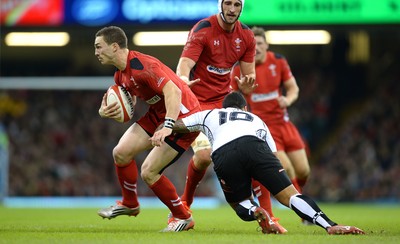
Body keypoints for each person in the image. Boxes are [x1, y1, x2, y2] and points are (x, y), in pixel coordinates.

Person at [150, 92, 365, 235]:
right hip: (257, 147)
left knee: (239, 202)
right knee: (290, 196)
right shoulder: (256, 119)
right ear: (244, 107)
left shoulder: (211, 114)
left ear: (224, 107)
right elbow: (272, 154)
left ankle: (254, 211)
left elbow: (180, 125)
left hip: (225, 152)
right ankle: (330, 225)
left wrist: (165, 127)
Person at [175, 0, 287, 233]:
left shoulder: (246, 36)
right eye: (228, 3)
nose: (232, 8)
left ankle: (270, 215)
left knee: (255, 152)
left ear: (241, 7)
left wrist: (246, 87)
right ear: (221, 5)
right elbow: (184, 65)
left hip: (224, 102)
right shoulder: (202, 29)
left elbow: (247, 82)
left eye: (237, 4)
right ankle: (185, 202)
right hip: (196, 101)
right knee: (205, 156)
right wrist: (183, 80)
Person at [94, 26, 202, 232]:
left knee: (149, 172)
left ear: (114, 47)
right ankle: (130, 203)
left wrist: (168, 126)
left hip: (184, 117)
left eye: (99, 47)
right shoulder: (120, 76)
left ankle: (183, 217)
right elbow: (129, 107)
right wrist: (105, 111)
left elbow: (174, 91)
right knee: (121, 153)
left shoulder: (142, 66)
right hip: (158, 114)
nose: (96, 52)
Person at [231, 26, 311, 224]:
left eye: (259, 43)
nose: (256, 48)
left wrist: (288, 100)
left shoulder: (279, 61)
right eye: (253, 44)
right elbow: (231, 100)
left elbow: (293, 88)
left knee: (303, 171)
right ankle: (305, 212)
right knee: (288, 170)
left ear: (266, 45)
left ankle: (296, 199)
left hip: (284, 124)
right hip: (263, 129)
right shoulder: (240, 69)